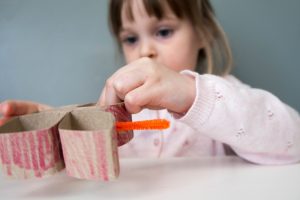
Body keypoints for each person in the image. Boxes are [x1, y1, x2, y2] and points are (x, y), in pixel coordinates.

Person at [0, 0, 299, 165]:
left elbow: (293, 142)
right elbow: (92, 161)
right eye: (131, 39)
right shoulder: (120, 109)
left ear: (204, 34)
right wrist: (54, 127)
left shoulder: (223, 97)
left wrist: (191, 95)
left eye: (164, 31)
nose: (145, 51)